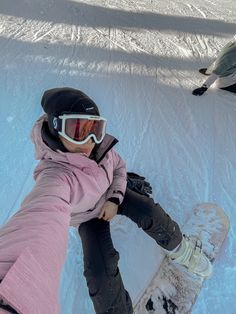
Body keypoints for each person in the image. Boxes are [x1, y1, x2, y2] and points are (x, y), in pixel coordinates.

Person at [0, 87, 212, 314]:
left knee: (148, 210)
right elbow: (41, 218)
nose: (90, 140)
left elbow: (119, 167)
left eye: (95, 129)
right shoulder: (56, 176)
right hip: (89, 216)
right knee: (99, 272)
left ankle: (182, 249)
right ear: (56, 128)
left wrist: (114, 198)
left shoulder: (100, 149)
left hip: (111, 194)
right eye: (78, 130)